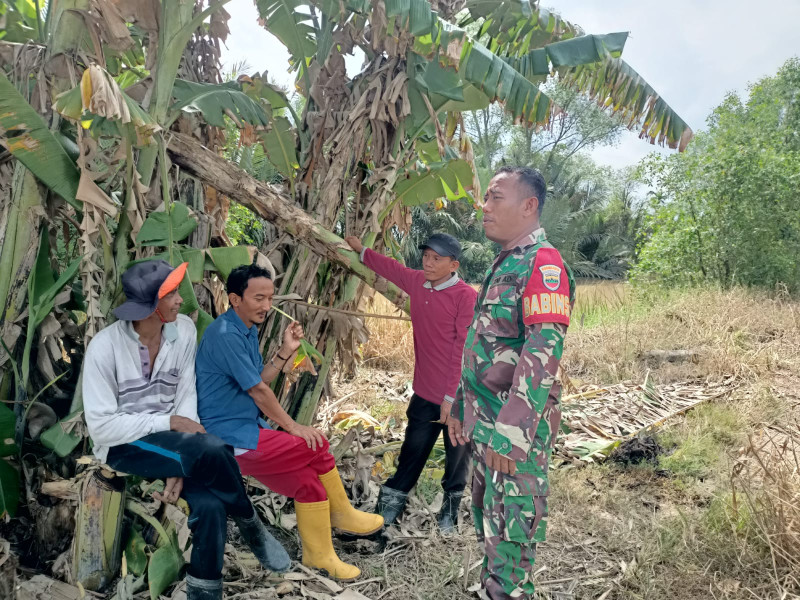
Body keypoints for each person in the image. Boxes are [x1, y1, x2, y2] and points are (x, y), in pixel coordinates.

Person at [83, 260, 290, 600]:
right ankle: (250, 523)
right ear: (150, 306)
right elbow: (103, 427)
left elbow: (186, 394)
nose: (181, 301)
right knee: (212, 449)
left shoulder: (183, 332)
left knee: (209, 504)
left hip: (178, 443)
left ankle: (204, 590)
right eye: (171, 295)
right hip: (125, 443)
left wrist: (179, 457)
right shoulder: (105, 348)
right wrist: (169, 425)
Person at [196, 264, 383, 581]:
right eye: (259, 298)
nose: (267, 307)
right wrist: (294, 427)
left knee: (308, 484)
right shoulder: (225, 334)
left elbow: (259, 379)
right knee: (317, 443)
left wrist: (285, 350)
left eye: (270, 298)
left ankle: (319, 558)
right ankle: (341, 513)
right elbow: (258, 391)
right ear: (235, 299)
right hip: (230, 440)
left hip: (250, 431)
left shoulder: (245, 329)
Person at [446, 167, 575, 600]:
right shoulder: (508, 261)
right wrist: (463, 406)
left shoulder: (543, 263)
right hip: (486, 419)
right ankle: (493, 587)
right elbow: (482, 343)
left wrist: (512, 432)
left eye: (495, 197)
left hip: (513, 428)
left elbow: (542, 353)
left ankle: (507, 592)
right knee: (490, 516)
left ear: (528, 206)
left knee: (514, 524)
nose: (483, 207)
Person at [344, 233, 477, 532]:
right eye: (426, 256)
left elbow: (463, 350)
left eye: (436, 259)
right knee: (412, 451)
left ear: (453, 264)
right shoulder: (419, 283)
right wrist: (362, 250)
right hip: (426, 392)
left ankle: (449, 514)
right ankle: (386, 513)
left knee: (457, 455)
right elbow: (390, 268)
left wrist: (450, 398)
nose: (427, 263)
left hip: (459, 395)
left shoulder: (466, 296)